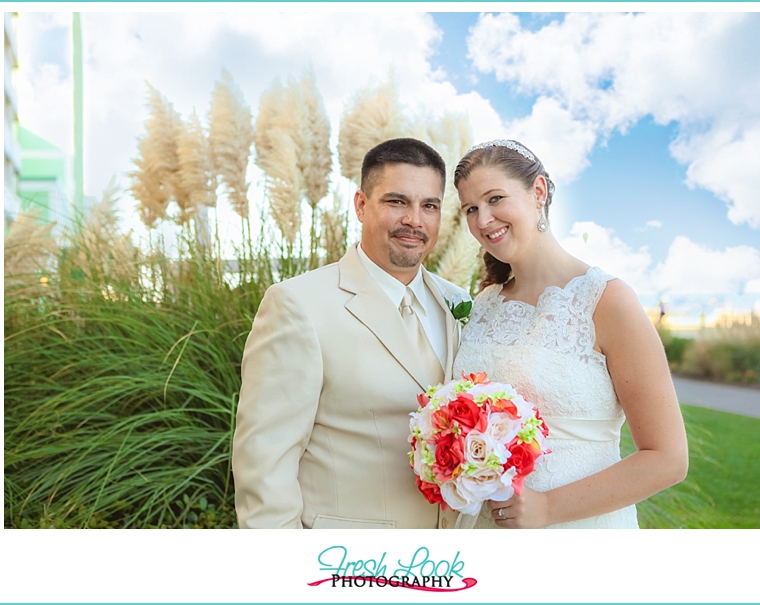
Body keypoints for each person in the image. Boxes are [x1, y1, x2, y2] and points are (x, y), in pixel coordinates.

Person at [452, 139, 688, 529]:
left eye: (495, 199)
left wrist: (548, 508)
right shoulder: (484, 303)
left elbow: (668, 458)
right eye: (471, 209)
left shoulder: (607, 300)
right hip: (485, 529)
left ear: (539, 192)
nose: (483, 219)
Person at [233, 138, 468, 529]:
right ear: (361, 205)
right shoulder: (297, 304)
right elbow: (264, 461)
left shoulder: (458, 303)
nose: (415, 220)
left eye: (430, 205)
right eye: (397, 202)